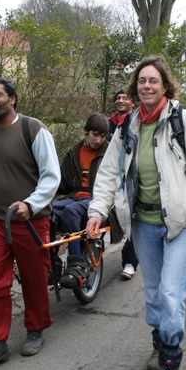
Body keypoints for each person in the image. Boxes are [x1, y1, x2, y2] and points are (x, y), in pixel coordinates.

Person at [86, 56, 186, 370]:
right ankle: (159, 342)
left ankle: (170, 364)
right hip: (143, 224)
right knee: (153, 295)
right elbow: (107, 173)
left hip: (180, 224)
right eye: (141, 81)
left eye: (153, 80)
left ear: (165, 85)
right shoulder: (127, 127)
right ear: (136, 87)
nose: (146, 86)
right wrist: (96, 210)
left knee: (170, 292)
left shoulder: (184, 121)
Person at [0, 77, 61, 370]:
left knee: (34, 280)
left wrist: (30, 204)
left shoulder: (32, 129)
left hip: (29, 220)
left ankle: (35, 329)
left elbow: (51, 175)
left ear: (12, 98)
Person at [54, 113, 111, 288]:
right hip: (74, 197)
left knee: (71, 211)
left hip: (97, 199)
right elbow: (62, 182)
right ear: (86, 132)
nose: (98, 140)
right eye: (95, 134)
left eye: (102, 136)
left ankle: (75, 262)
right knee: (46, 211)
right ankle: (52, 262)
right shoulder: (74, 151)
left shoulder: (109, 152)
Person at [109, 88, 139, 280]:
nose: (120, 100)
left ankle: (129, 262)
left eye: (124, 98)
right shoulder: (107, 124)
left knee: (131, 217)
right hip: (109, 176)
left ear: (132, 103)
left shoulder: (136, 123)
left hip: (129, 178)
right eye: (117, 97)